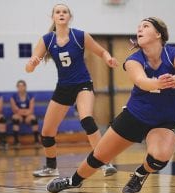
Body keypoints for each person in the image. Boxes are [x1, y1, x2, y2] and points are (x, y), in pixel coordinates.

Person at [47, 17, 175, 193]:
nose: (139, 29)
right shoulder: (134, 59)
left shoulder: (173, 53)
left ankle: (140, 174)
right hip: (135, 116)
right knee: (99, 156)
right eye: (138, 27)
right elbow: (141, 81)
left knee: (160, 156)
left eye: (145, 26)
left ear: (158, 34)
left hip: (164, 121)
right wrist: (158, 83)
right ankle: (73, 181)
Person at [25, 3, 118, 177]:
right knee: (47, 132)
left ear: (69, 16)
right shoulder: (47, 39)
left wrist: (109, 59)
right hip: (63, 87)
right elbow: (29, 67)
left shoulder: (80, 35)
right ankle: (51, 168)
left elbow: (102, 51)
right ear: (53, 17)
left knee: (86, 119)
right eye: (57, 12)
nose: (61, 14)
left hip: (83, 84)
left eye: (64, 12)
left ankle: (104, 163)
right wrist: (32, 64)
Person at [10, 80, 40, 147]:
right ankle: (16, 141)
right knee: (15, 118)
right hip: (19, 116)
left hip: (27, 116)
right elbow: (14, 110)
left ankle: (36, 141)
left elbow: (31, 110)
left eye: (22, 86)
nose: (21, 87)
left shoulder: (30, 96)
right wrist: (24, 111)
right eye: (19, 86)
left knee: (34, 119)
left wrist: (21, 111)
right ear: (17, 87)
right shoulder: (13, 97)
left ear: (25, 87)